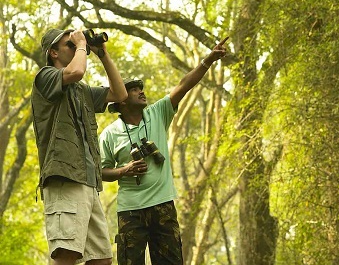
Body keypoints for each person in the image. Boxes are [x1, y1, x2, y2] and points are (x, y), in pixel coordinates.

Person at [99, 36, 229, 265]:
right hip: (130, 211)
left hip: (163, 205)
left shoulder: (157, 113)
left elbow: (185, 84)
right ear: (120, 101)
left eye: (141, 89)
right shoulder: (109, 134)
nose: (141, 92)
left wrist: (209, 59)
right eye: (133, 90)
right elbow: (100, 172)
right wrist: (124, 171)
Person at [31, 28, 128, 265]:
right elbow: (76, 71)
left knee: (101, 259)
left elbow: (120, 93)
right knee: (67, 255)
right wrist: (83, 44)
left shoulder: (80, 90)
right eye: (69, 45)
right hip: (65, 178)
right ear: (53, 52)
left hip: (88, 182)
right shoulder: (45, 77)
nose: (76, 48)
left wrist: (103, 54)